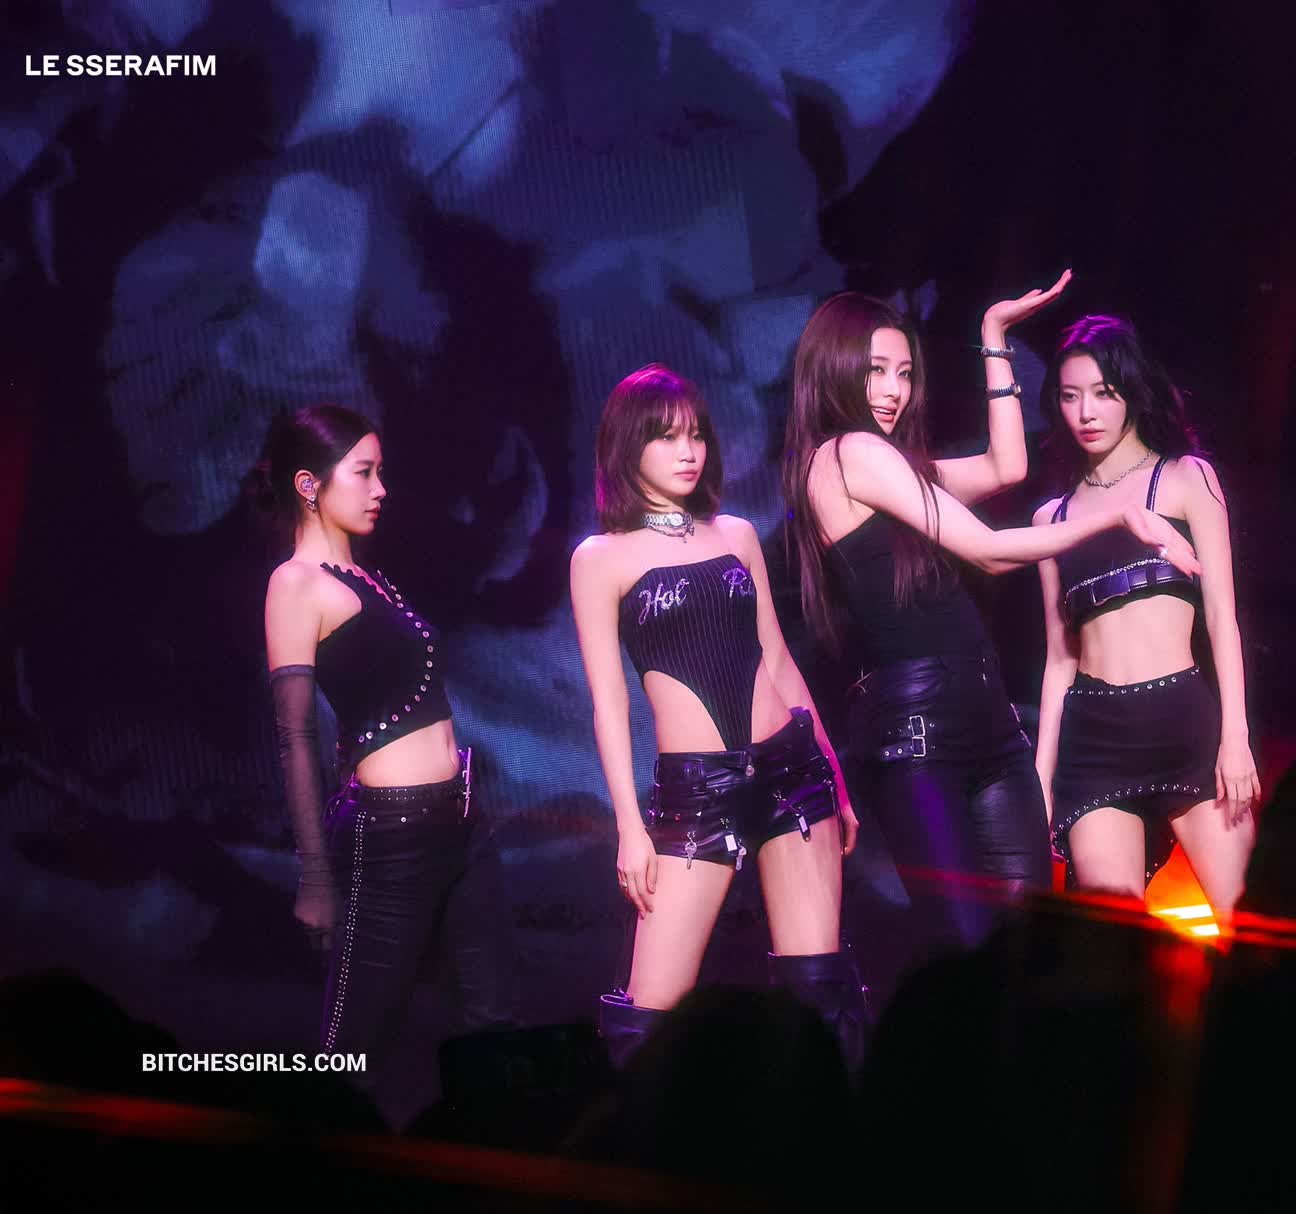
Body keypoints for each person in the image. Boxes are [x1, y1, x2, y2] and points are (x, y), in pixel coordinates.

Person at [780, 279, 1201, 961]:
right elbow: (989, 549)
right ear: (833, 368)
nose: (893, 391)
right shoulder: (848, 454)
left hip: (985, 716)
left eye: (905, 373)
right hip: (919, 729)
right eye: (876, 371)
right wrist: (1117, 518)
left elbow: (1007, 465)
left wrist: (994, 339)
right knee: (974, 961)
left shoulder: (888, 467)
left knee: (1024, 952)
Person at [570, 365, 867, 1067]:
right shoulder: (600, 558)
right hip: (696, 792)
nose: (689, 451)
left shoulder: (735, 534)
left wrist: (834, 775)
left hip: (793, 772)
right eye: (668, 437)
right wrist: (629, 827)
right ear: (627, 445)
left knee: (818, 995)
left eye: (697, 434)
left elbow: (779, 660)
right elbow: (608, 701)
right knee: (648, 1018)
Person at [260, 404, 513, 1082]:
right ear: (309, 484)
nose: (381, 489)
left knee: (494, 1027)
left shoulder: (369, 579)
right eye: (364, 473)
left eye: (380, 472)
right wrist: (315, 875)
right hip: (392, 837)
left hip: (464, 823)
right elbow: (294, 736)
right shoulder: (295, 583)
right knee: (353, 1051)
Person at [1031, 315, 1257, 925]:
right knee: (1112, 949)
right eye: (1070, 396)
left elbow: (1223, 618)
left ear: (1131, 390)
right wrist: (1041, 778)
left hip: (1186, 728)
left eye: (1103, 392)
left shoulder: (1185, 478)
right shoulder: (1052, 519)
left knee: (1253, 929)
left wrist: (1235, 737)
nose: (1086, 412)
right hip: (1094, 745)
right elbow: (1059, 659)